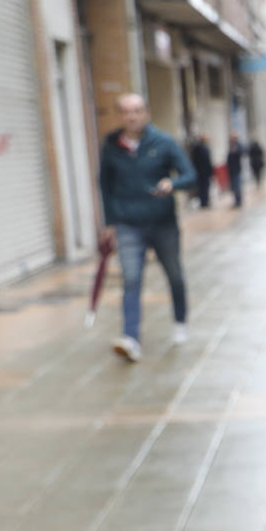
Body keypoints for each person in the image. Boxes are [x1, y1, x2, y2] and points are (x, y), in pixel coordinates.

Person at [97, 93, 196, 362]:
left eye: (138, 110)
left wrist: (171, 185)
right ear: (120, 116)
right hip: (129, 225)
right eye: (127, 111)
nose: (133, 116)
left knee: (174, 274)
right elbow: (105, 186)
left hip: (162, 223)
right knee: (131, 280)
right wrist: (109, 222)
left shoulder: (163, 142)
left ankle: (180, 322)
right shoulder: (111, 145)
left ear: (147, 113)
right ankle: (131, 338)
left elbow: (189, 175)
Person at [190, 135, 212, 208]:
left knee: (204, 187)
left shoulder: (199, 147)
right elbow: (206, 161)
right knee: (203, 187)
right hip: (202, 172)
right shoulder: (200, 148)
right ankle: (204, 202)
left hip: (202, 171)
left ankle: (204, 202)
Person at [225, 134, 244, 208]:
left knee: (237, 186)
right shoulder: (231, 146)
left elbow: (242, 152)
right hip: (231, 170)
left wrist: (236, 151)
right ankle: (236, 201)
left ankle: (239, 201)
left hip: (236, 169)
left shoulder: (238, 146)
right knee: (234, 186)